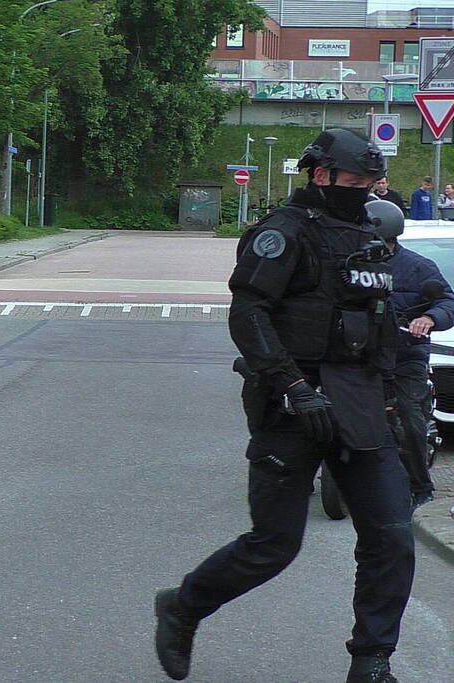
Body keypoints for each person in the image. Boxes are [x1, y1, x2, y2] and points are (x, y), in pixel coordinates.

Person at [154, 129, 413, 683]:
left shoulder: (367, 232)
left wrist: (390, 398)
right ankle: (184, 605)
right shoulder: (281, 233)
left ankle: (372, 660)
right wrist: (294, 387)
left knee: (391, 536)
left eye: (371, 184)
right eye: (354, 183)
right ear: (320, 175)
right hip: (293, 404)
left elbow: (378, 322)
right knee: (274, 546)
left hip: (361, 404)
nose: (364, 192)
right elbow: (248, 315)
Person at [366, 198, 454, 508]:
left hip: (405, 357)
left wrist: (428, 319)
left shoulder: (419, 268)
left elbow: (446, 301)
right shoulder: (350, 264)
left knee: (410, 422)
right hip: (361, 357)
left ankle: (421, 487)